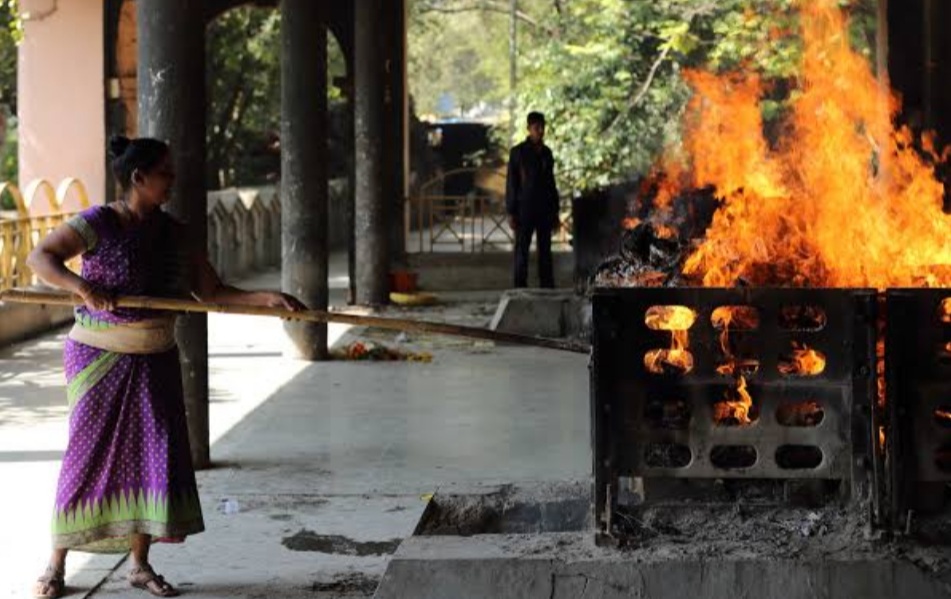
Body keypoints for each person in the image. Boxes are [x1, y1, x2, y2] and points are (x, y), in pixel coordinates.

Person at [28, 136, 306, 598]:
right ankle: (56, 565)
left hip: (156, 357)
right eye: (165, 174)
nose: (172, 182)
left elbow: (212, 293)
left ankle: (139, 564)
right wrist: (82, 288)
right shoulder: (97, 223)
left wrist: (266, 298)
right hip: (99, 357)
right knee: (88, 454)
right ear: (138, 178)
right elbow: (41, 258)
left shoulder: (177, 233)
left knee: (152, 457)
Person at [505, 111, 560, 289]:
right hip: (524, 209)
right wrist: (511, 212)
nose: (540, 131)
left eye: (542, 127)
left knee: (545, 250)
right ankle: (520, 286)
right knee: (522, 250)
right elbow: (512, 184)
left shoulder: (547, 153)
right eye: (536, 128)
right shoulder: (518, 153)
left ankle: (547, 286)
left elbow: (551, 184)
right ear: (529, 129)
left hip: (544, 209)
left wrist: (555, 212)